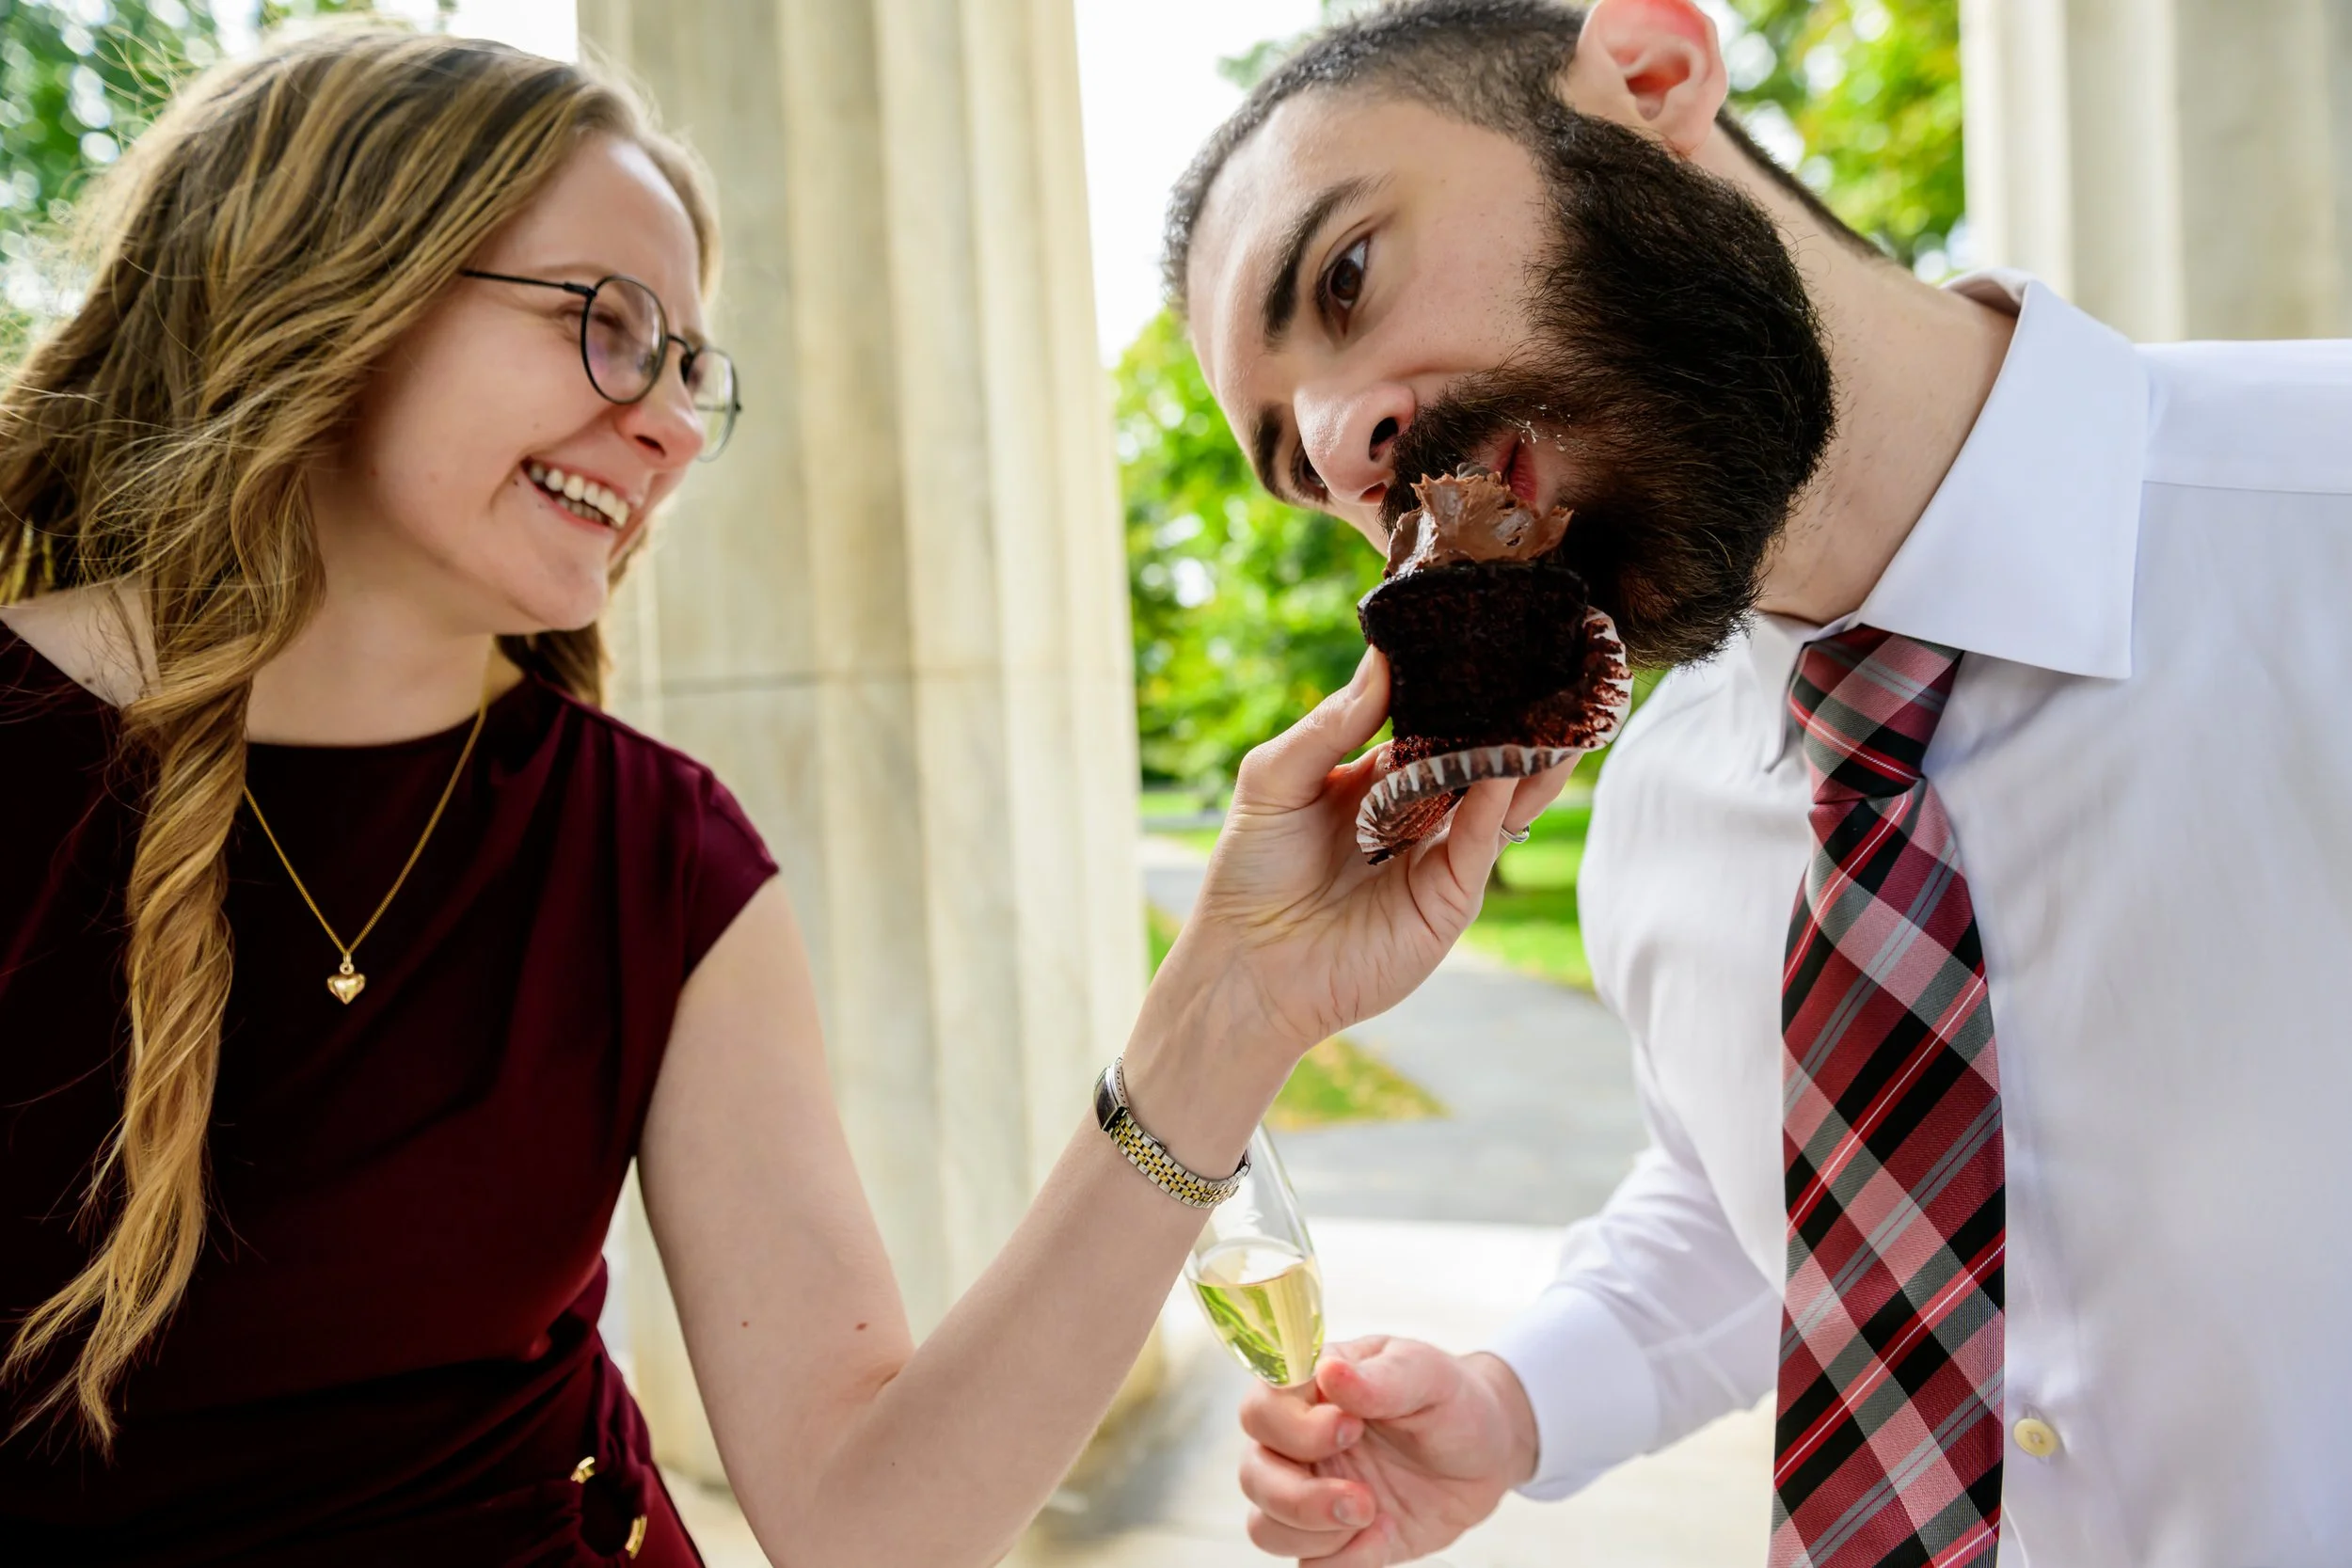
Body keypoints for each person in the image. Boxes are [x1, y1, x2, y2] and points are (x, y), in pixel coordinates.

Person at [0, 26, 1580, 1567]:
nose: (675, 427)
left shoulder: (657, 850)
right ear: (339, 281)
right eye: (611, 324)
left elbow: (867, 1522)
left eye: (694, 370)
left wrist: (1236, 1003)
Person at [1167, 0, 2352, 1564]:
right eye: (1293, 466)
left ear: (1652, 75)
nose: (1342, 451)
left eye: (1348, 274)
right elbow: (1766, 1196)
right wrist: (1520, 1403)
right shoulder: (1657, 803)